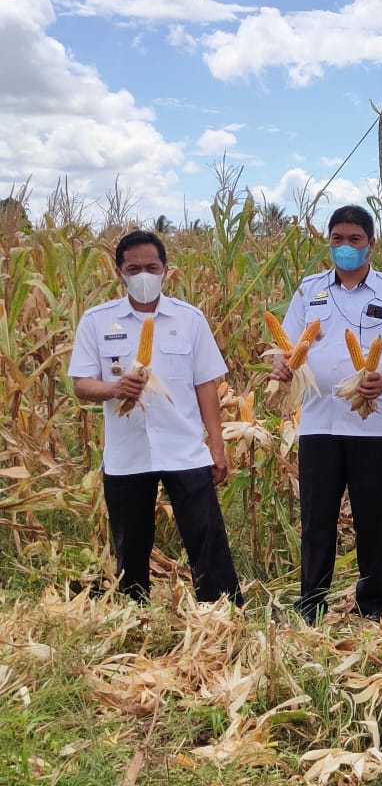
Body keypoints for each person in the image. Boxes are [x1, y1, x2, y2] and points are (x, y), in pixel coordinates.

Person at [69, 230, 243, 605]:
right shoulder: (97, 321)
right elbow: (81, 384)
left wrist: (216, 443)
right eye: (134, 268)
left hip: (184, 447)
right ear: (120, 273)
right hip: (127, 451)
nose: (143, 274)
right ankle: (134, 614)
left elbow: (206, 385)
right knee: (130, 544)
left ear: (166, 271)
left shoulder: (189, 319)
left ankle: (223, 611)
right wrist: (115, 389)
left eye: (151, 266)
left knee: (206, 536)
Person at [271, 204, 382, 624]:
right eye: (338, 239)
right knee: (317, 519)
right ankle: (311, 604)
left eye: (355, 240)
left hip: (374, 426)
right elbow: (288, 346)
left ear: (371, 244)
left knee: (373, 521)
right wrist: (284, 364)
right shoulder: (309, 290)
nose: (346, 247)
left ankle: (371, 604)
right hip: (318, 423)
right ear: (329, 243)